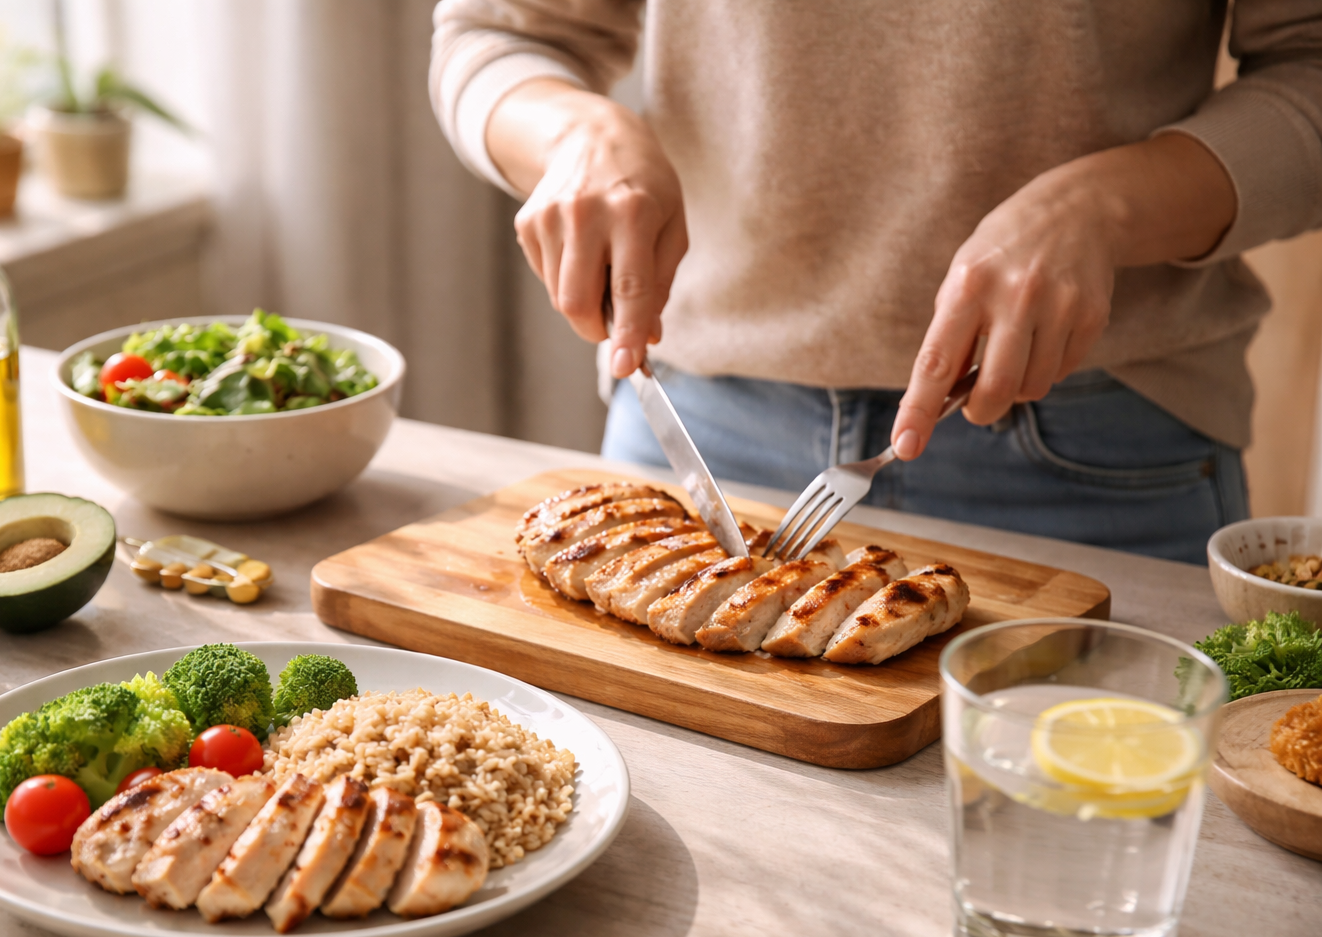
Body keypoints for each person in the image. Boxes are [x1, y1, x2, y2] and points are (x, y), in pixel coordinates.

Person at [428, 1, 1322, 564]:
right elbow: (500, 33)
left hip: (1099, 450)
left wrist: (1105, 206)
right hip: (698, 432)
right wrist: (574, 135)